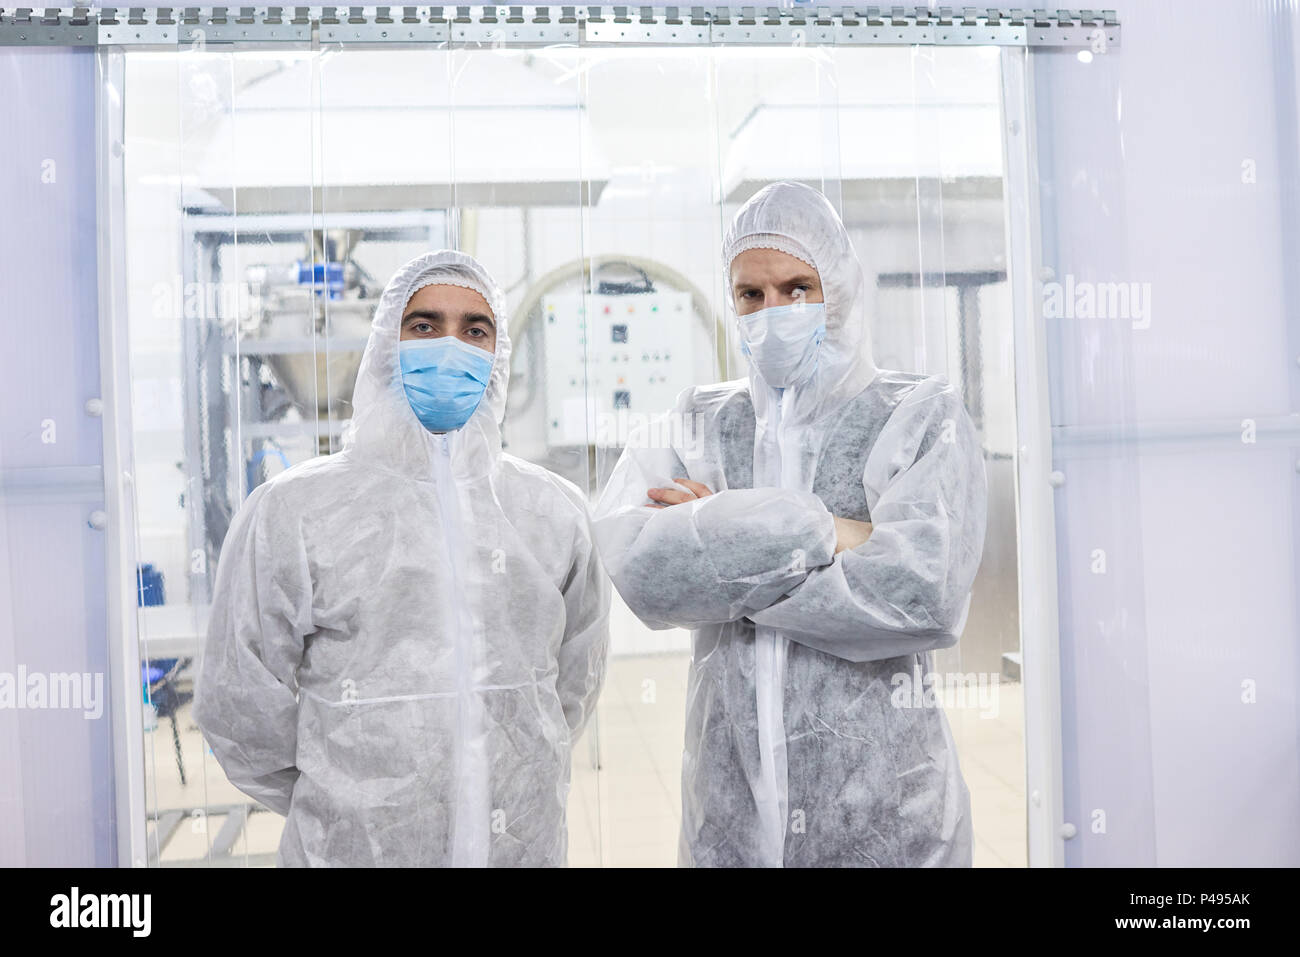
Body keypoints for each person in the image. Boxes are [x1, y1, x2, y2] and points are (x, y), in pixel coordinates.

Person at [592, 182, 988, 867]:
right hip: (729, 818)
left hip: (885, 816)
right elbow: (642, 569)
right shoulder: (701, 419)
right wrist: (841, 533)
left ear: (838, 290)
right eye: (752, 294)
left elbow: (924, 593)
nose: (773, 311)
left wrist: (716, 534)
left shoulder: (920, 415)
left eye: (797, 288)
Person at [193, 250, 610, 867]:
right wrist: (348, 800)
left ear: (499, 355)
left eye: (475, 330)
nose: (450, 348)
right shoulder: (295, 510)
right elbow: (243, 708)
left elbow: (571, 686)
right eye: (423, 326)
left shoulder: (552, 510)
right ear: (386, 345)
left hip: (521, 843)